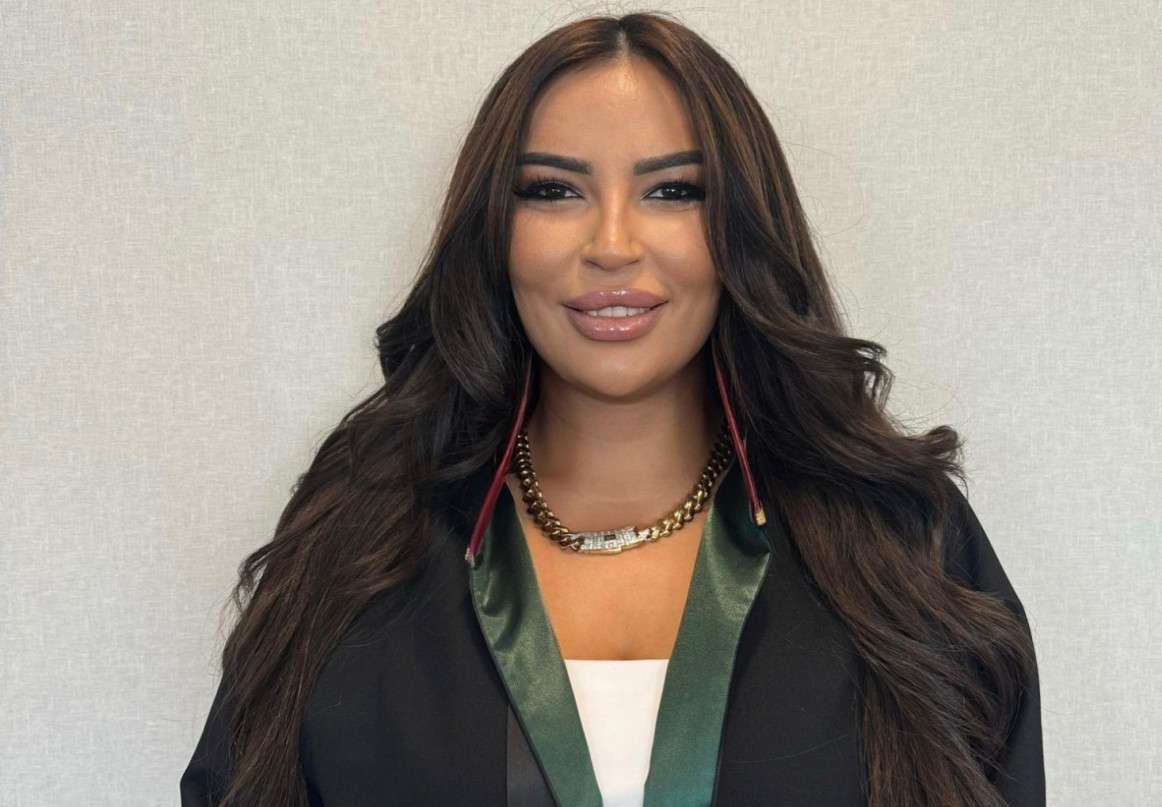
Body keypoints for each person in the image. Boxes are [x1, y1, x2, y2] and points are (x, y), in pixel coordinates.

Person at [181, 11, 1044, 807]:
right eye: (554, 191)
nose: (612, 244)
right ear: (495, 227)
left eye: (673, 191)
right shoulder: (358, 540)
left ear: (741, 229)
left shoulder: (901, 546)